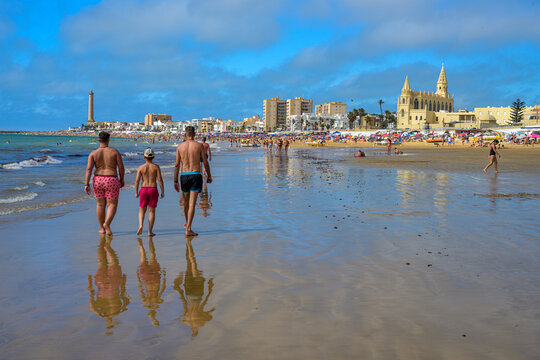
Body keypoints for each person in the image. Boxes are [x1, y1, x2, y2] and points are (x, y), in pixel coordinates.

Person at [174, 126, 212, 237]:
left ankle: (188, 224)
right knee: (192, 204)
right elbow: (205, 162)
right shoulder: (199, 146)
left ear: (185, 135)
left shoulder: (180, 147)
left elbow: (177, 165)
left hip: (184, 175)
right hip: (195, 174)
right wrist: (209, 176)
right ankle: (189, 228)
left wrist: (175, 180)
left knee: (186, 203)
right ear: (194, 135)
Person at [85, 131, 125, 236]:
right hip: (111, 178)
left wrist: (86, 184)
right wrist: (122, 179)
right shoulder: (114, 152)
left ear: (99, 140)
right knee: (112, 204)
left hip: (97, 179)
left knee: (100, 204)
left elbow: (89, 169)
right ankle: (107, 224)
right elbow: (121, 167)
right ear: (108, 140)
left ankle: (101, 228)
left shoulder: (93, 153)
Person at [135, 148, 165, 236]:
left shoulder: (140, 167)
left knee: (141, 209)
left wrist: (136, 192)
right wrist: (162, 191)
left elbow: (137, 181)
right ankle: (150, 231)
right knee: (151, 211)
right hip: (153, 189)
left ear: (144, 157)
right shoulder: (156, 167)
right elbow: (160, 180)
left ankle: (140, 225)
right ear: (153, 157)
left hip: (143, 189)